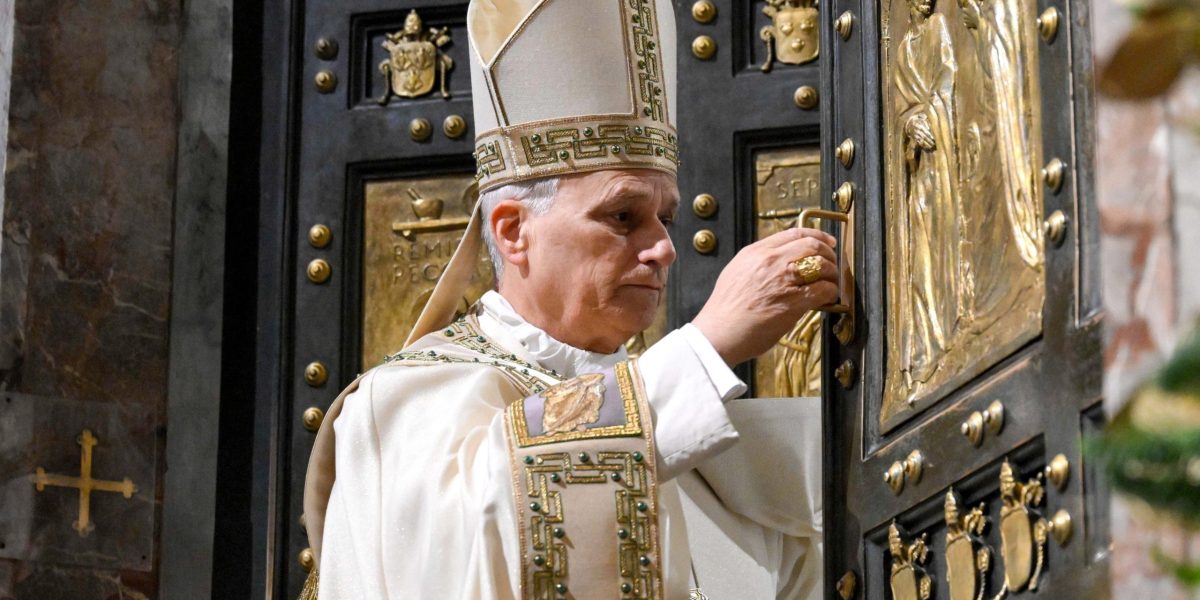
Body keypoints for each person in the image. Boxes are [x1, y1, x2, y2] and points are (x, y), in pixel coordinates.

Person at [300, 0, 837, 597]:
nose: (663, 248)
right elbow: (473, 538)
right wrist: (705, 350)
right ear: (512, 230)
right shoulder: (407, 402)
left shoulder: (697, 445)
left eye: (665, 217)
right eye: (623, 214)